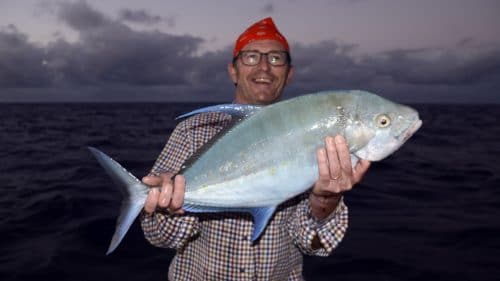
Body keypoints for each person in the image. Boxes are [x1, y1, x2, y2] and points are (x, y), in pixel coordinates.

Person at [140, 17, 371, 280]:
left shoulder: (315, 133)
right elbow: (158, 237)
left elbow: (313, 244)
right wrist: (170, 206)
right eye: (251, 57)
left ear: (289, 73)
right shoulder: (192, 132)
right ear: (233, 71)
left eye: (276, 58)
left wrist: (326, 199)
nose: (264, 67)